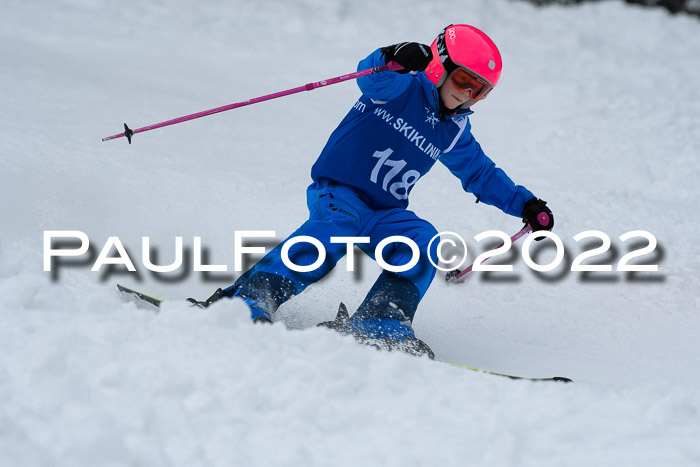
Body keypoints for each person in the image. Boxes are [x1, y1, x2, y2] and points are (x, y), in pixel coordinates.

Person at [192, 24, 554, 358]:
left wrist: (524, 203)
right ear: (438, 65)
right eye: (463, 80)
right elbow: (372, 76)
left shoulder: (454, 129)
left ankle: (379, 321)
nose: (467, 95)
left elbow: (480, 173)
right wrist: (394, 56)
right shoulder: (401, 88)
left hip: (384, 212)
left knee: (424, 240)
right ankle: (248, 298)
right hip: (339, 194)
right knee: (334, 233)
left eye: (480, 90)